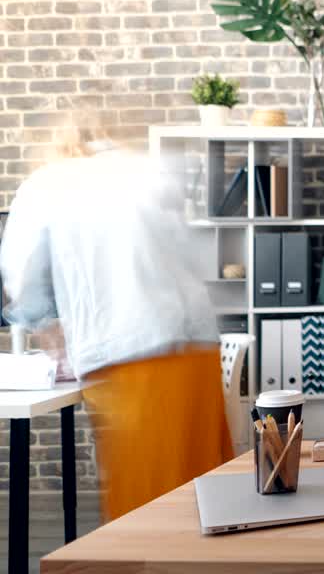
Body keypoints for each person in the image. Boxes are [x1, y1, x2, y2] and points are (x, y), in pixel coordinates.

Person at [0, 112, 233, 522]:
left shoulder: (47, 185)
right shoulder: (148, 171)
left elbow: (23, 282)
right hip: (198, 349)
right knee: (207, 492)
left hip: (131, 358)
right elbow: (190, 257)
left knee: (149, 507)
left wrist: (53, 339)